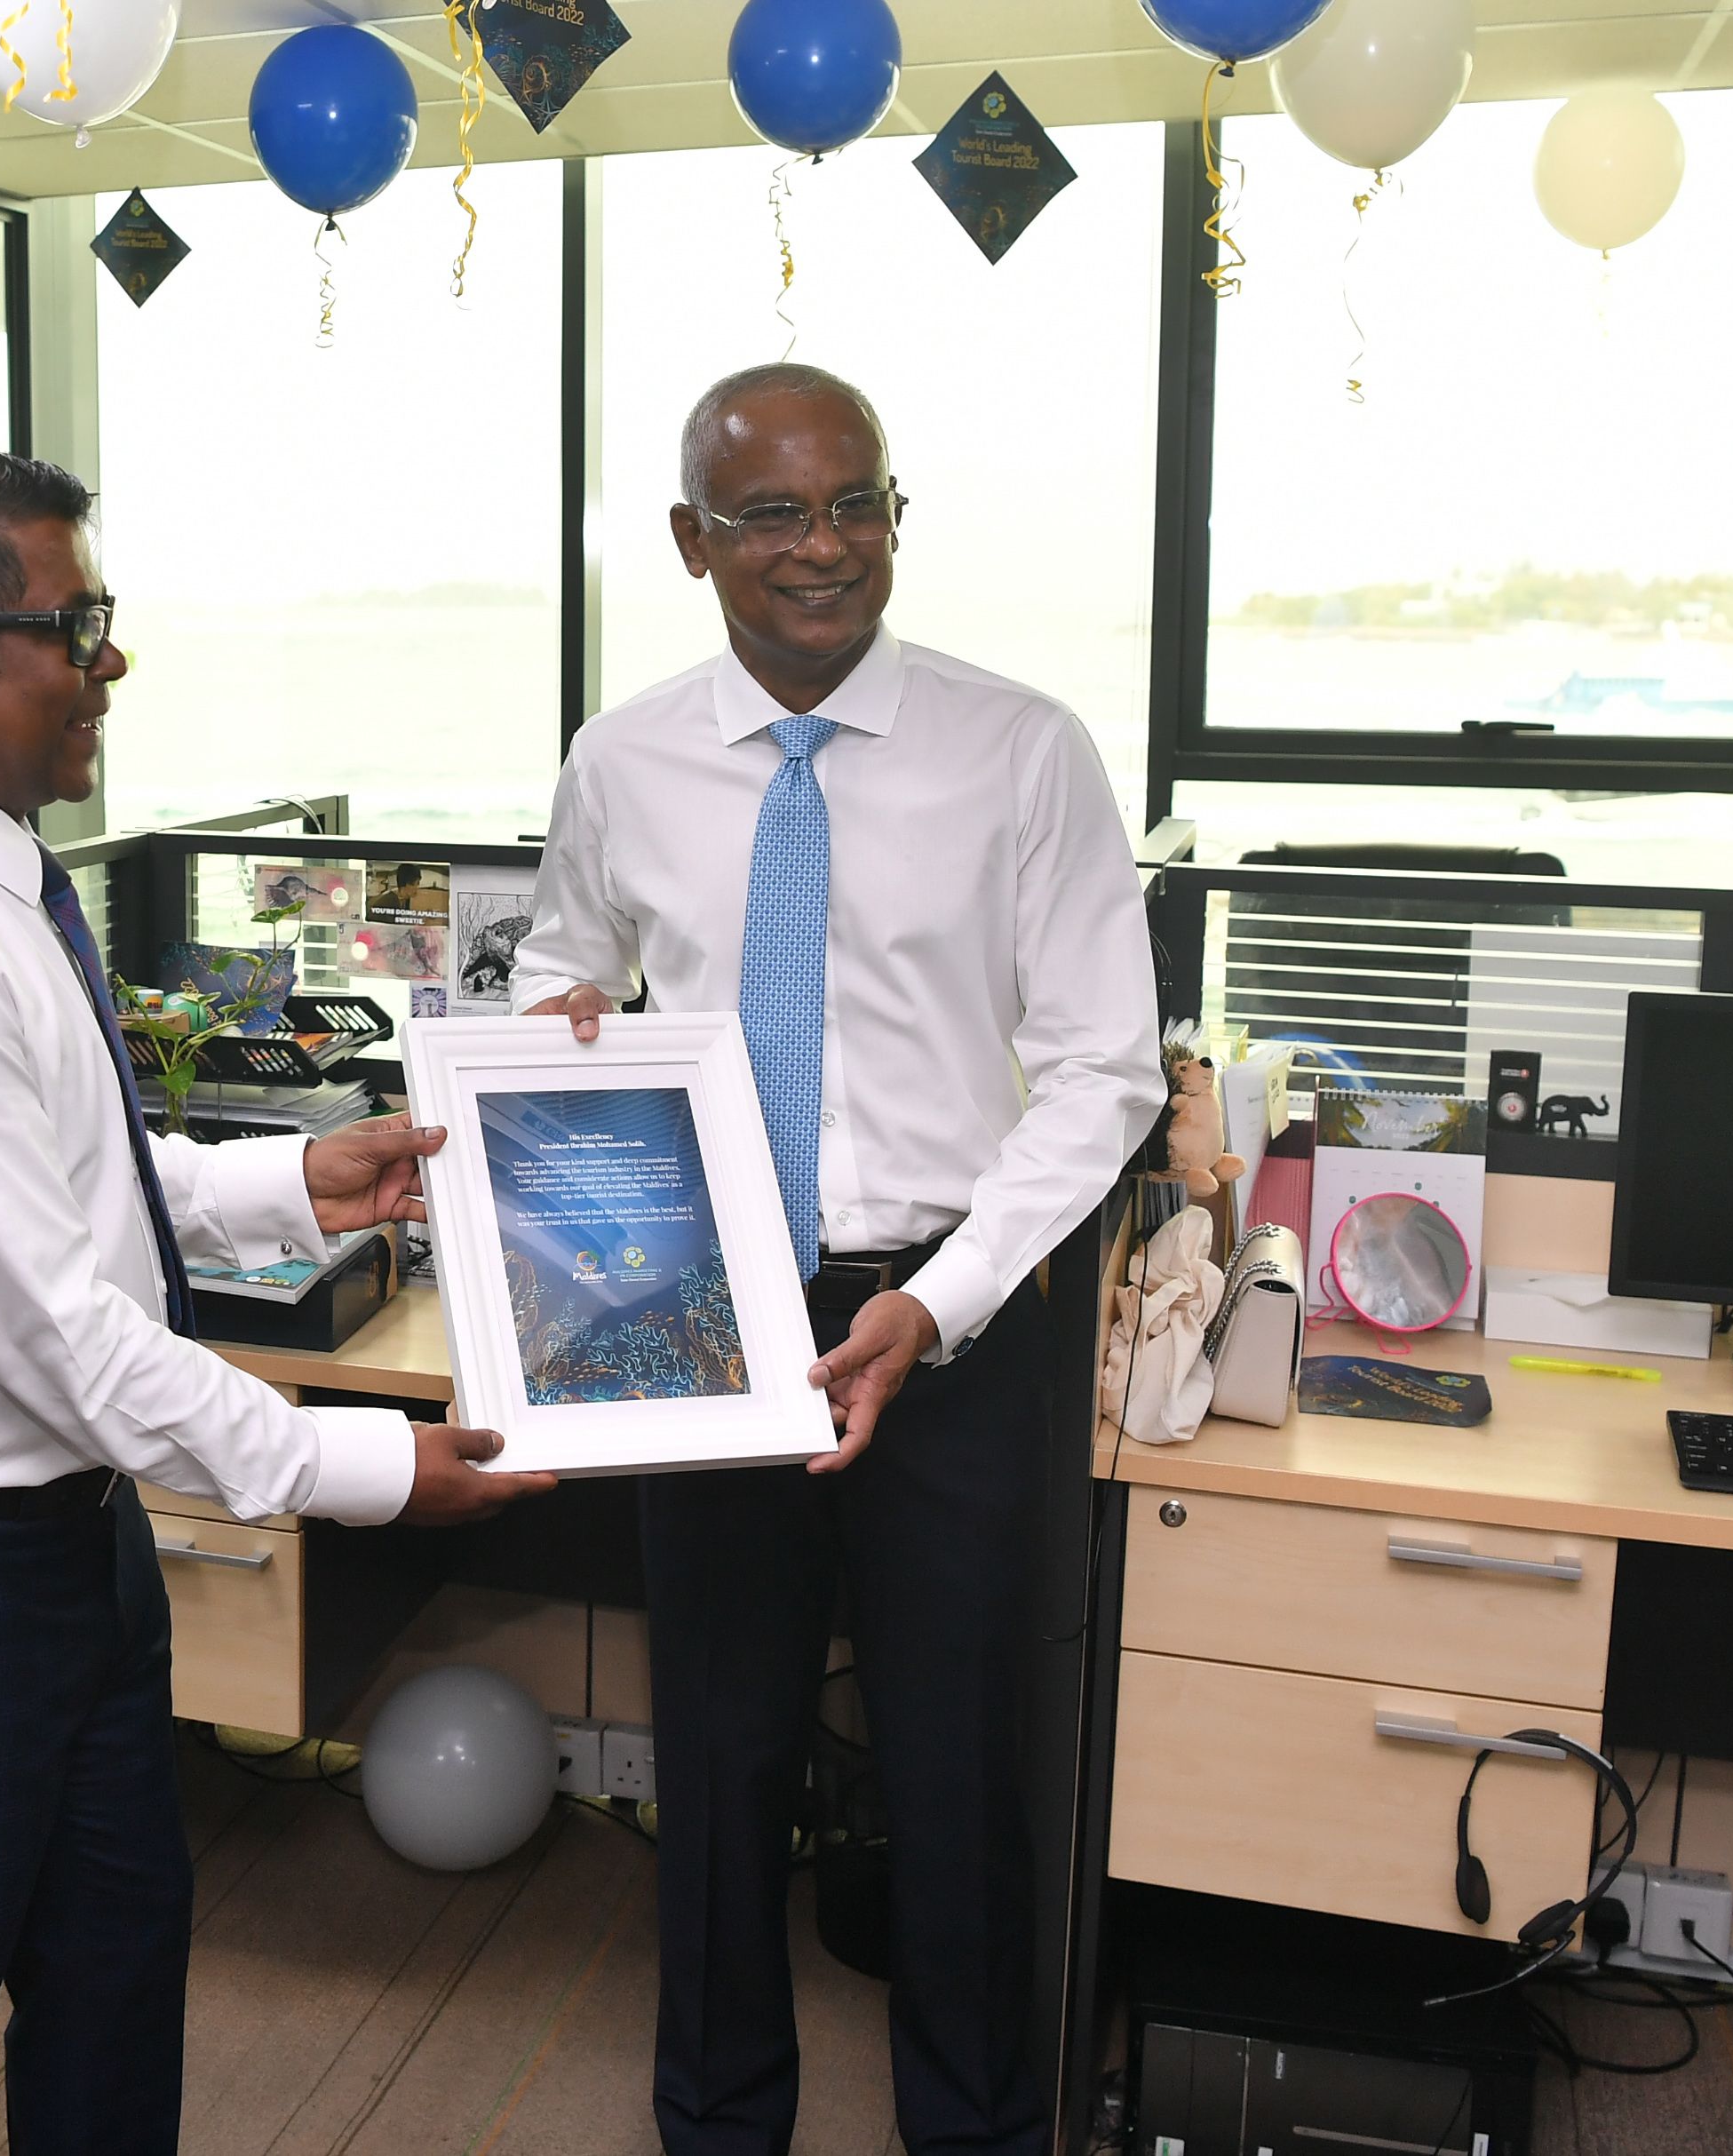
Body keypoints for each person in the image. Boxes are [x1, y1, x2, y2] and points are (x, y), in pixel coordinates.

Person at [0, 441, 553, 2155]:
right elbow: (61, 1331)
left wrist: (292, 1180)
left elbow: (69, 1175)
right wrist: (371, 1468)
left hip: (64, 1549)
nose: (113, 659)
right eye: (72, 624)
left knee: (109, 1991)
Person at [513, 362, 1163, 2156]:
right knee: (720, 1757)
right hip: (707, 1308)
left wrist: (936, 1299)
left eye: (856, 501)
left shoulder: (1020, 748)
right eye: (774, 513)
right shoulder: (621, 758)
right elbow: (565, 963)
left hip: (955, 1310)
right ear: (690, 539)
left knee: (962, 1766)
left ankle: (979, 2131)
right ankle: (718, 2121)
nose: (825, 545)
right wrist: (551, 1032)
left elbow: (1106, 1070)